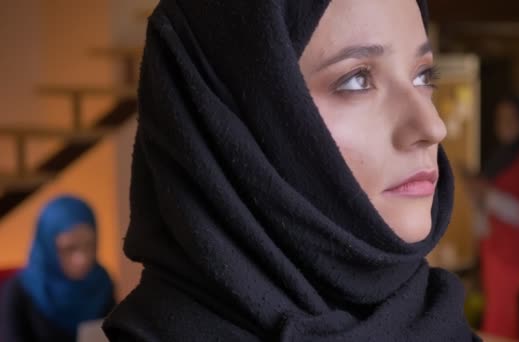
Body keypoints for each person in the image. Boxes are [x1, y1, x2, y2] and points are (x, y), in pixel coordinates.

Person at [103, 0, 479, 340]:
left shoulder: (440, 323)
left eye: (424, 76)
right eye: (357, 79)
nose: (432, 127)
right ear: (232, 122)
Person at [464, 95, 519, 340]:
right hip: (492, 246)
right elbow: (485, 206)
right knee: (500, 313)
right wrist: (476, 196)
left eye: (511, 118)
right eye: (500, 118)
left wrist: (487, 194)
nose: (504, 124)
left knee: (501, 315)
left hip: (514, 251)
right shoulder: (497, 159)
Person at [0, 195, 114, 342]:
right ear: (48, 247)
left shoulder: (101, 282)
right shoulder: (18, 292)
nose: (82, 259)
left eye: (89, 245)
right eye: (69, 249)